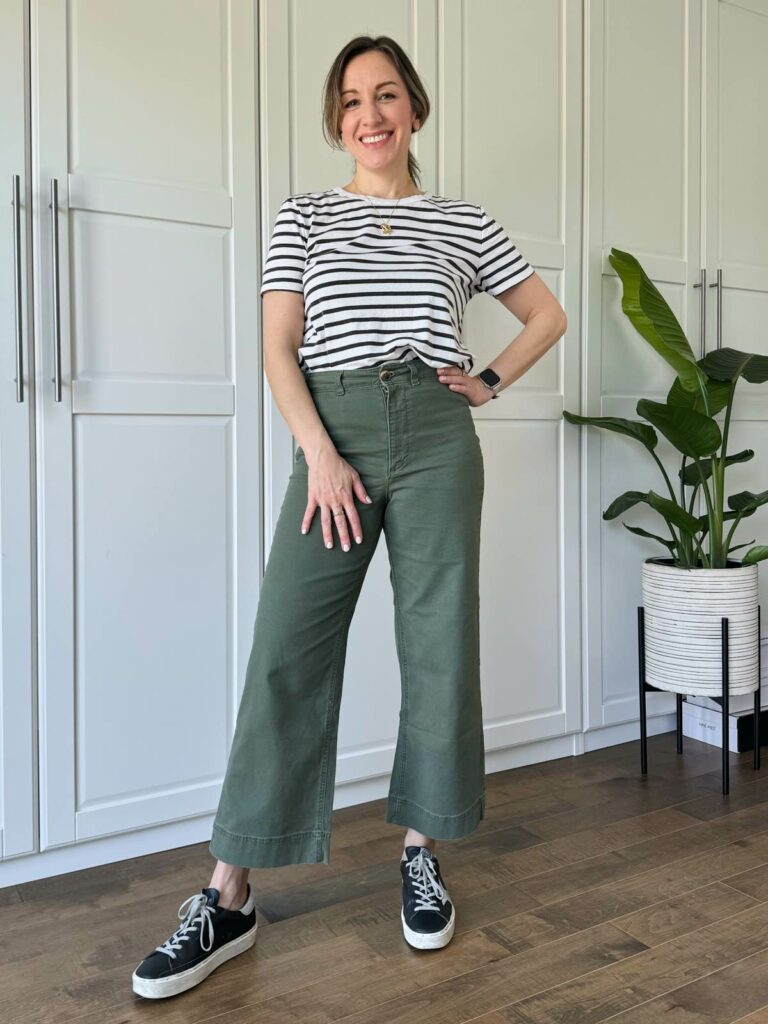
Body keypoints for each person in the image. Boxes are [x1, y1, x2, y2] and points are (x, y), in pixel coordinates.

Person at [132, 34, 566, 1000]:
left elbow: (548, 314)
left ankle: (421, 849)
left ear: (414, 107)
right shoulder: (306, 214)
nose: (370, 114)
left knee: (440, 642)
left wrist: (487, 381)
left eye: (387, 95)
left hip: (437, 432)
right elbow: (280, 347)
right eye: (352, 100)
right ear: (338, 121)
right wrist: (320, 454)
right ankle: (230, 891)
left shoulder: (461, 218)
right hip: (334, 429)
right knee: (288, 648)